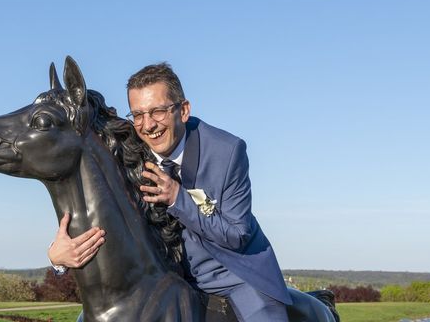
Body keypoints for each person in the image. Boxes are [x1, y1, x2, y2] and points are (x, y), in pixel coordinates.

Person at [49, 63, 291, 322]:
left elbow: (237, 235)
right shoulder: (126, 148)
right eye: (138, 114)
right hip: (160, 281)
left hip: (233, 276)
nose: (148, 125)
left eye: (158, 111)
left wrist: (178, 198)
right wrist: (57, 258)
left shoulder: (227, 152)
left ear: (184, 110)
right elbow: (102, 217)